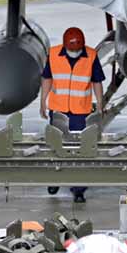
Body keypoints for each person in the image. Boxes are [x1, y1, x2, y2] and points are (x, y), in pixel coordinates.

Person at [39, 27, 104, 203]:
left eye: (77, 49)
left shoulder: (90, 55)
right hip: (58, 109)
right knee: (56, 147)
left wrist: (100, 103)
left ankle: (78, 189)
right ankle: (55, 180)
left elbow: (97, 81)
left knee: (80, 150)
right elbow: (47, 78)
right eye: (72, 49)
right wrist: (42, 101)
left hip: (80, 111)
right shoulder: (53, 54)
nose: (75, 52)